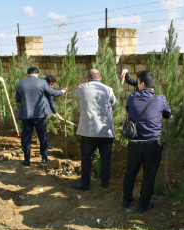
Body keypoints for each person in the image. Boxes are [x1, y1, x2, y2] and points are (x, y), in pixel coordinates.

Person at [123, 70, 172, 213]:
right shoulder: (161, 99)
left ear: (142, 83)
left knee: (130, 173)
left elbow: (129, 110)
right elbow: (168, 115)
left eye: (137, 82)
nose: (137, 84)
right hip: (152, 144)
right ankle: (143, 206)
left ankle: (127, 201)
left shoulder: (132, 97)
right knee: (149, 176)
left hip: (135, 143)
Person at [71, 69, 117, 191]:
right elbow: (114, 105)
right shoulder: (108, 89)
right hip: (105, 130)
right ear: (100, 78)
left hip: (88, 131)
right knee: (105, 158)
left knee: (86, 158)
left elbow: (74, 96)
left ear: (88, 78)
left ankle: (85, 184)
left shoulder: (82, 87)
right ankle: (105, 183)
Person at [15, 67, 67, 166]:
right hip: (40, 115)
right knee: (42, 136)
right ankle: (44, 158)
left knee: (26, 138)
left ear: (27, 73)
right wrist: (63, 91)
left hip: (26, 115)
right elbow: (53, 93)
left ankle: (27, 160)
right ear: (37, 74)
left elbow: (17, 99)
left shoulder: (20, 83)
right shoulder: (42, 83)